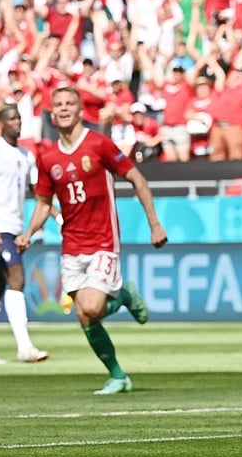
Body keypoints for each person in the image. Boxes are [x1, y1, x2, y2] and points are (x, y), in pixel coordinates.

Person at [15, 87, 168, 395]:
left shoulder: (99, 144)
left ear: (81, 110)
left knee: (94, 307)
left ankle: (124, 295)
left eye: (69, 103)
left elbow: (137, 178)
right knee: (83, 313)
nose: (63, 108)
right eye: (57, 104)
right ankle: (118, 375)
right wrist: (29, 233)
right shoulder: (47, 158)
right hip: (71, 244)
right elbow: (44, 203)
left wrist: (154, 223)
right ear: (51, 113)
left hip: (103, 239)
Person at [0, 105, 52, 365]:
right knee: (17, 277)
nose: (17, 123)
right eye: (12, 119)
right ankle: (24, 346)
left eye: (19, 118)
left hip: (14, 227)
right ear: (1, 123)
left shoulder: (26, 155)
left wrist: (55, 213)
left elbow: (37, 192)